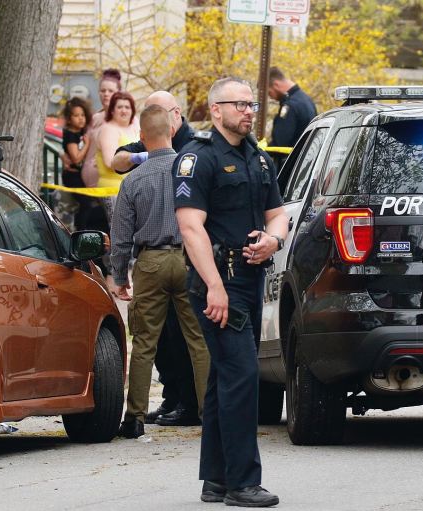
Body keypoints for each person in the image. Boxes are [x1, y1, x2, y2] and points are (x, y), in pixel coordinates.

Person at [174, 77, 287, 507]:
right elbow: (190, 226)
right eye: (239, 104)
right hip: (216, 280)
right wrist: (215, 288)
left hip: (250, 277)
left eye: (251, 104)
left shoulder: (258, 159)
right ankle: (244, 482)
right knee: (241, 375)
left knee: (226, 375)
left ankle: (216, 479)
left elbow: (277, 214)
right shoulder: (196, 158)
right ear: (215, 110)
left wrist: (273, 241)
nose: (248, 111)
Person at [110, 104, 210, 439]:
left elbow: (122, 236)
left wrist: (120, 277)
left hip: (150, 263)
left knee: (144, 343)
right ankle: (210, 412)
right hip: (188, 258)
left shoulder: (134, 179)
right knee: (198, 340)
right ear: (171, 131)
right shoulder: (192, 170)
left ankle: (134, 418)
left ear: (141, 137)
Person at [60, 97, 93, 230]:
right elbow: (76, 158)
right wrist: (87, 145)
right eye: (76, 115)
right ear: (69, 118)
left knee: (87, 204)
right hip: (72, 176)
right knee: (86, 204)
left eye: (83, 115)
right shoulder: (71, 134)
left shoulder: (80, 132)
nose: (81, 118)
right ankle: (80, 231)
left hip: (80, 175)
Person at [96, 91, 139, 189]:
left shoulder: (135, 127)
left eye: (127, 107)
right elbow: (110, 162)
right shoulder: (108, 129)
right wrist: (139, 158)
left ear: (132, 111)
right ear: (112, 111)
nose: (124, 111)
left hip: (132, 187)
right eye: (119, 107)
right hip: (113, 189)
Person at [268, 67, 316, 153]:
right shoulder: (306, 100)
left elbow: (280, 142)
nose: (270, 97)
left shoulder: (290, 106)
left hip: (290, 163)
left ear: (276, 85)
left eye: (269, 92)